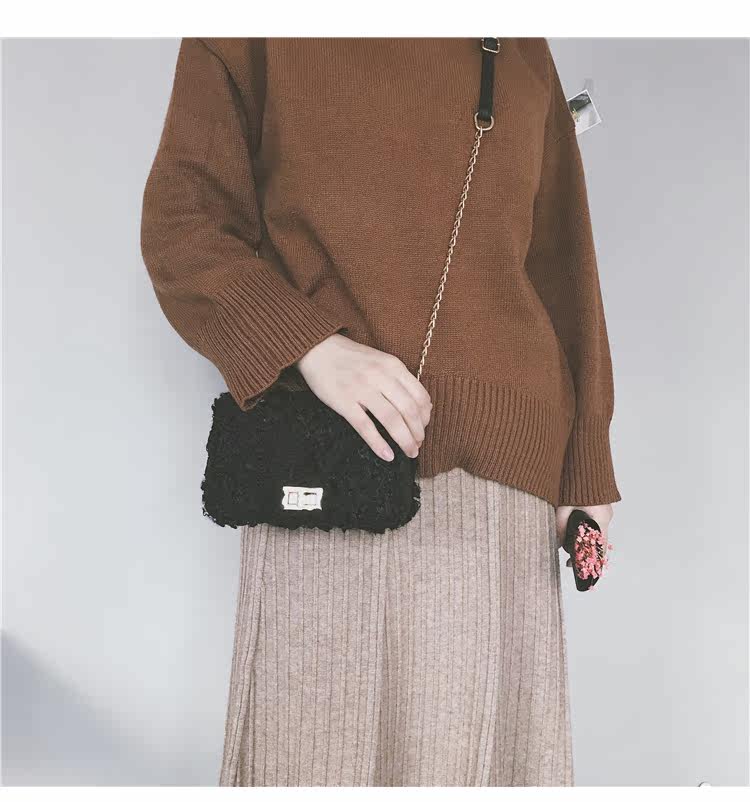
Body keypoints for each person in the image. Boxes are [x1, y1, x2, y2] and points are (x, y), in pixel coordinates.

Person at [140, 37, 621, 787]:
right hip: (332, 471)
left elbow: (564, 262)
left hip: (505, 491)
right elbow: (184, 219)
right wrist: (309, 345)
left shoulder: (516, 38)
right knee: (311, 759)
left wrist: (586, 459)